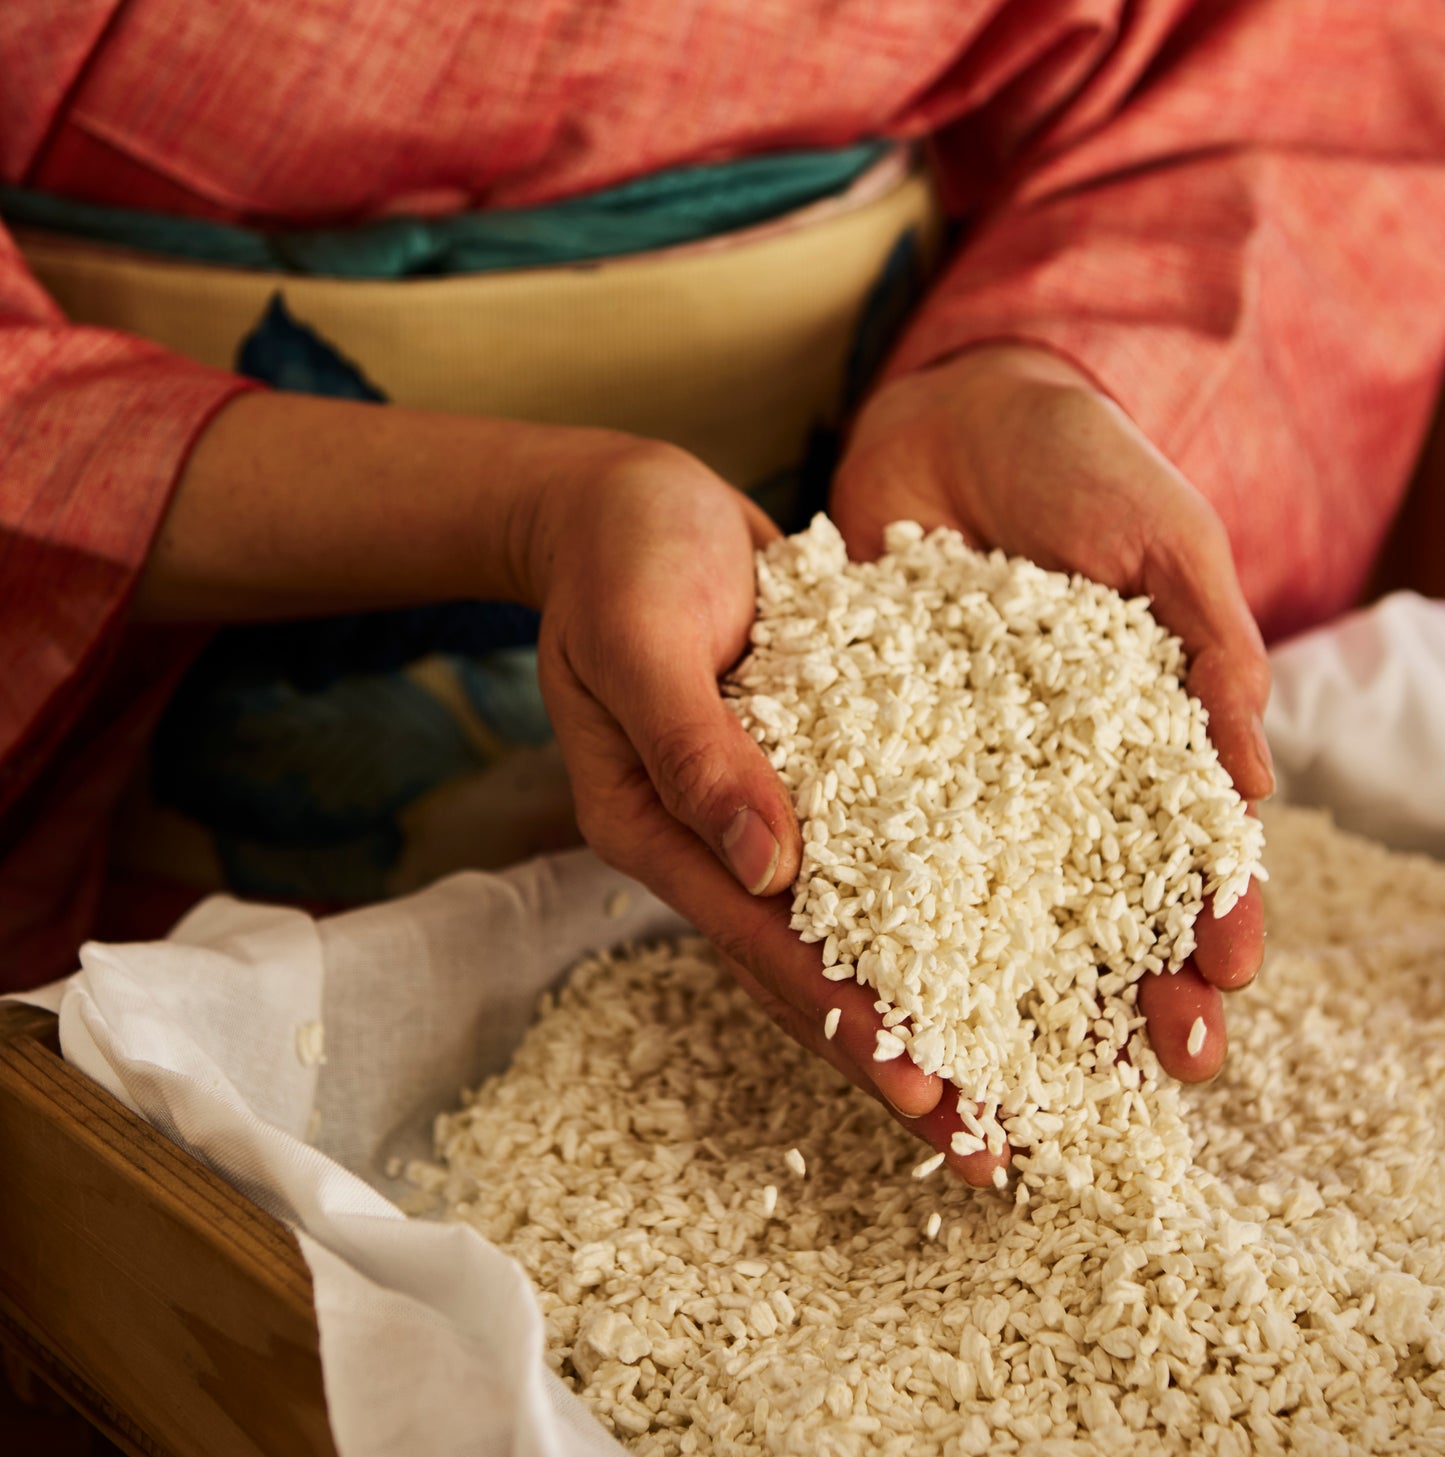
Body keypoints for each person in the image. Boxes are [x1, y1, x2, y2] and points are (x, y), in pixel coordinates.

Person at [3, 1, 1442, 1180]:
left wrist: (1031, 368)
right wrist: (522, 509)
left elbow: (1286, 59)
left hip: (859, 480)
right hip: (132, 788)